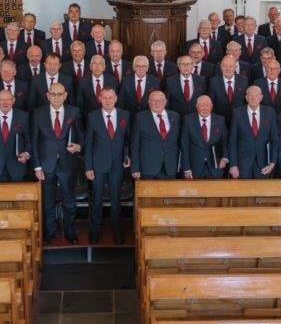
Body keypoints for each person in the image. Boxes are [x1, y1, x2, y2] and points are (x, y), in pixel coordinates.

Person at [31, 83, 82, 244]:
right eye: (53, 94)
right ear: (48, 95)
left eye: (60, 94)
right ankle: (49, 233)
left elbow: (82, 135)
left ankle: (70, 232)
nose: (57, 97)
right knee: (48, 202)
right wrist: (37, 166)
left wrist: (79, 146)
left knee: (69, 201)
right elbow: (34, 141)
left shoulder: (74, 112)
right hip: (46, 166)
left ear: (65, 95)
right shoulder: (38, 113)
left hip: (67, 164)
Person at [84, 87, 131, 244]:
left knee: (116, 200)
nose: (108, 100)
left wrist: (127, 156)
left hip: (117, 164)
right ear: (100, 99)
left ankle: (117, 231)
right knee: (96, 200)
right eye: (105, 97)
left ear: (116, 98)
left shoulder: (125, 115)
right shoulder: (92, 116)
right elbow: (88, 143)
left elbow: (127, 140)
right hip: (98, 165)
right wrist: (88, 167)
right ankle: (95, 231)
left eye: (111, 97)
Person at [0, 89, 32, 182]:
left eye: (8, 99)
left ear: (13, 101)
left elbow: (29, 140)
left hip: (17, 169)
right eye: (1, 100)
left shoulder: (23, 116)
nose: (5, 102)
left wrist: (26, 154)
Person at [228, 86, 279, 179]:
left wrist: (272, 163)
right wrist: (233, 164)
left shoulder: (270, 112)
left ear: (261, 97)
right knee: (243, 192)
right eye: (250, 95)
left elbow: (275, 139)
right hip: (242, 164)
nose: (253, 98)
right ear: (246, 97)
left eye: (256, 95)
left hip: (264, 163)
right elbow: (232, 140)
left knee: (262, 192)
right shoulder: (237, 112)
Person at [131, 90, 180, 180]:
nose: (157, 103)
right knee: (148, 194)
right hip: (148, 168)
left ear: (165, 102)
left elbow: (179, 142)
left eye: (160, 100)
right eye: (154, 100)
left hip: (170, 167)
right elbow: (135, 145)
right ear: (149, 102)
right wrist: (135, 168)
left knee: (168, 194)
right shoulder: (140, 118)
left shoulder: (175, 117)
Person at [179, 95, 228, 180]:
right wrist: (186, 167)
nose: (205, 108)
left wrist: (225, 157)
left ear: (211, 106)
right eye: (202, 105)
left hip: (215, 166)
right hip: (194, 167)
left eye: (207, 105)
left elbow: (224, 141)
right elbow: (184, 145)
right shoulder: (188, 120)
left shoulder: (220, 120)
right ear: (197, 107)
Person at [208, 55, 247, 122]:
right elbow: (211, 103)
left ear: (235, 67)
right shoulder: (213, 82)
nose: (228, 69)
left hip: (239, 119)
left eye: (231, 66)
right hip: (219, 120)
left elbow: (246, 101)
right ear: (221, 67)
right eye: (225, 66)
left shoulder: (244, 80)